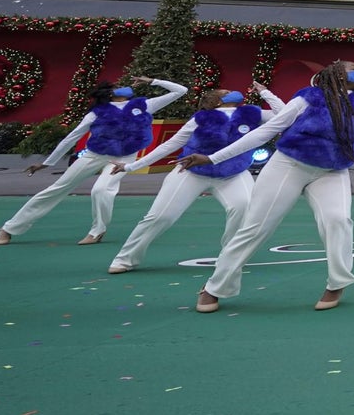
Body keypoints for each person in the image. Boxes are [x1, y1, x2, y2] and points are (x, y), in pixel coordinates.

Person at [185, 56, 354, 312]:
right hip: (290, 165)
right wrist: (214, 157)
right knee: (256, 227)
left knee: (338, 221)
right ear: (336, 74)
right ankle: (214, 287)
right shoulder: (310, 97)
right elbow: (268, 129)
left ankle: (337, 283)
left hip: (332, 171)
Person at [105, 86, 280, 274]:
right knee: (160, 216)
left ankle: (230, 257)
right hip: (191, 172)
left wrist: (265, 92)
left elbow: (284, 114)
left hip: (233, 174)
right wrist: (131, 166)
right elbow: (170, 144)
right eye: (225, 92)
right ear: (216, 101)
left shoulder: (252, 114)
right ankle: (125, 258)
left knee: (243, 207)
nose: (232, 91)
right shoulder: (200, 119)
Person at [0, 75, 189, 246]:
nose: (123, 86)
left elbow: (181, 90)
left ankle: (97, 231)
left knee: (101, 190)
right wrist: (48, 162)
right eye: (116, 86)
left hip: (123, 158)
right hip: (94, 154)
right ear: (110, 95)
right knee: (56, 188)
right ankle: (8, 229)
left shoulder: (144, 105)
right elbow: (72, 137)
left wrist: (152, 81)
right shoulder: (98, 112)